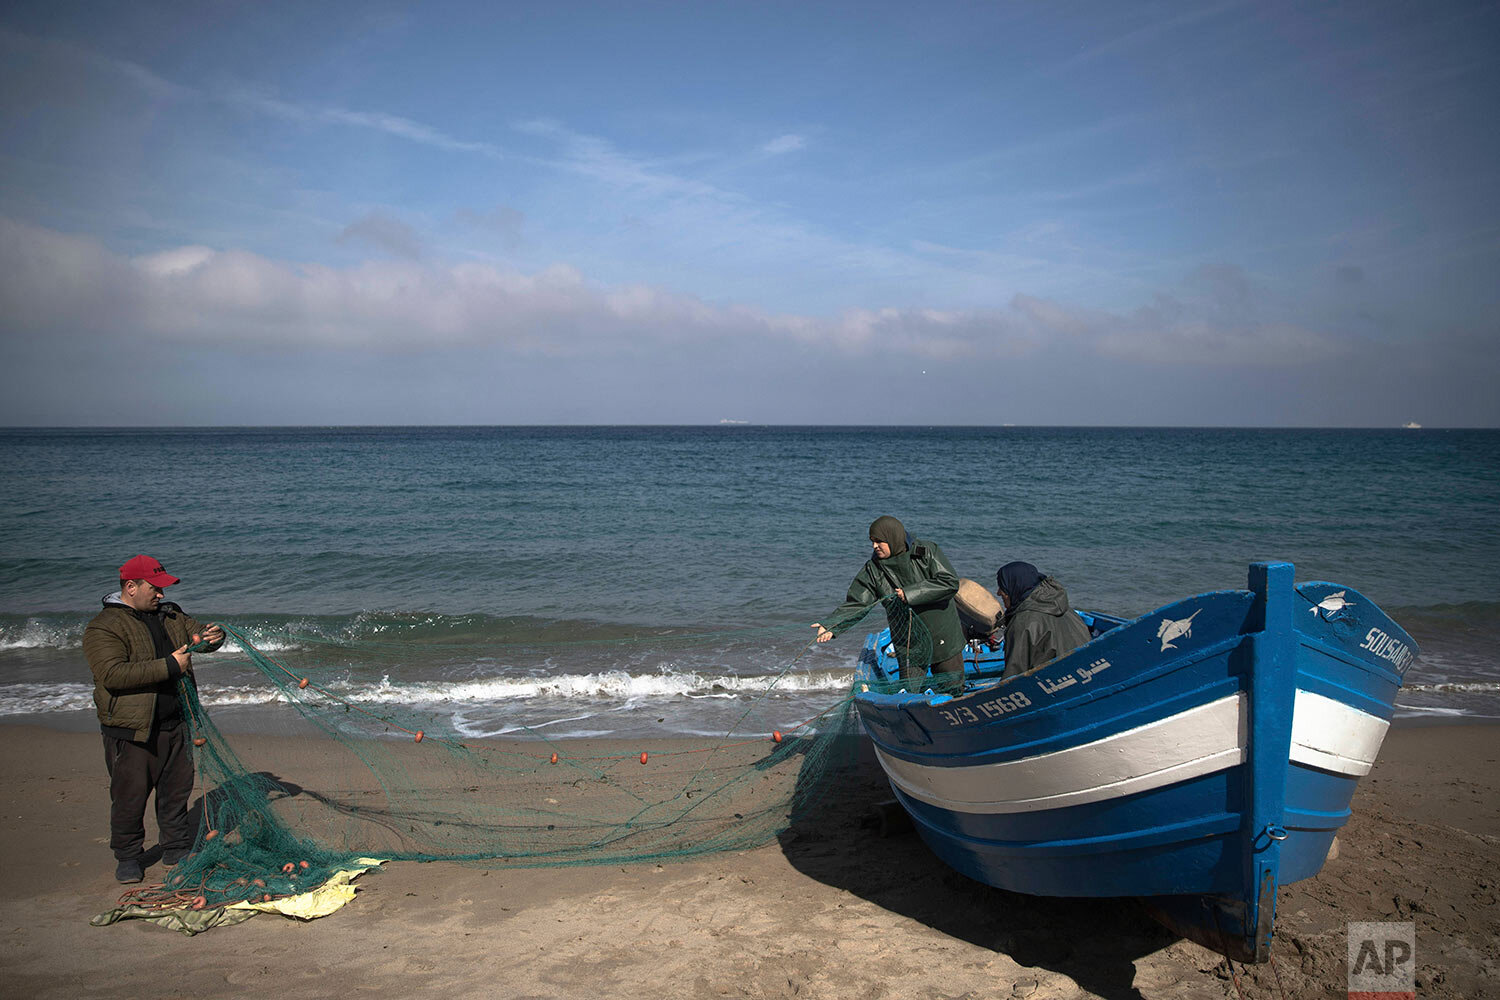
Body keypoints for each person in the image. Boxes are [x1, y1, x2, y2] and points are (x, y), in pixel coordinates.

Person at [83, 555, 224, 883]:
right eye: (155, 588)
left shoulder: (171, 614)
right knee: (129, 798)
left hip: (177, 721)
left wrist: (214, 637)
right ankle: (128, 856)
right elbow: (113, 674)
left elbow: (198, 636)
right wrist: (170, 666)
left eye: (163, 589)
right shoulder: (104, 626)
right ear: (131, 587)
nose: (161, 594)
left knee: (176, 792)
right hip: (131, 729)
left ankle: (176, 847)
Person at [813, 516, 965, 693]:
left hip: (942, 635)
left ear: (893, 538)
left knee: (954, 689)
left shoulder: (926, 552)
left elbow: (949, 582)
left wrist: (909, 594)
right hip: (909, 643)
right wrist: (832, 625)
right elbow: (858, 602)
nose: (874, 546)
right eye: (872, 541)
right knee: (909, 693)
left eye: (879, 541)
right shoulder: (873, 569)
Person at [995, 561, 1091, 679]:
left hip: (1050, 683)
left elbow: (1013, 677)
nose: (998, 593)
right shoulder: (1067, 610)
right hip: (1082, 675)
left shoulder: (1022, 622)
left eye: (1002, 587)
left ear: (1015, 586)